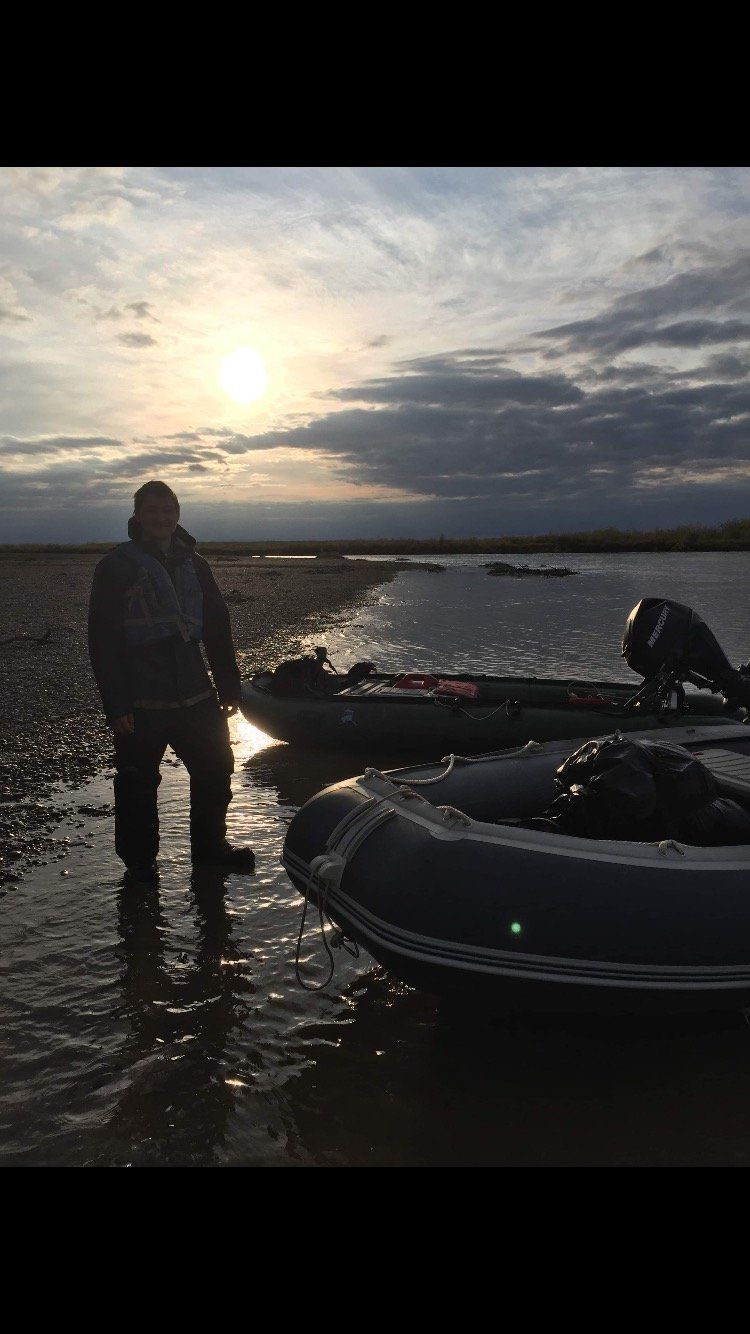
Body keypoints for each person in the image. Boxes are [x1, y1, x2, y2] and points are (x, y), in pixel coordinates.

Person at [88, 479, 255, 884]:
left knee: (216, 768)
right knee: (137, 783)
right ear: (138, 515)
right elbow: (102, 640)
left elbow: (218, 628)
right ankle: (140, 866)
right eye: (153, 510)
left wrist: (229, 687)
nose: (162, 517)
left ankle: (211, 851)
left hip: (196, 694)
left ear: (178, 514)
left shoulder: (196, 565)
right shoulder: (114, 567)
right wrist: (116, 705)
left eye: (168, 510)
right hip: (141, 700)